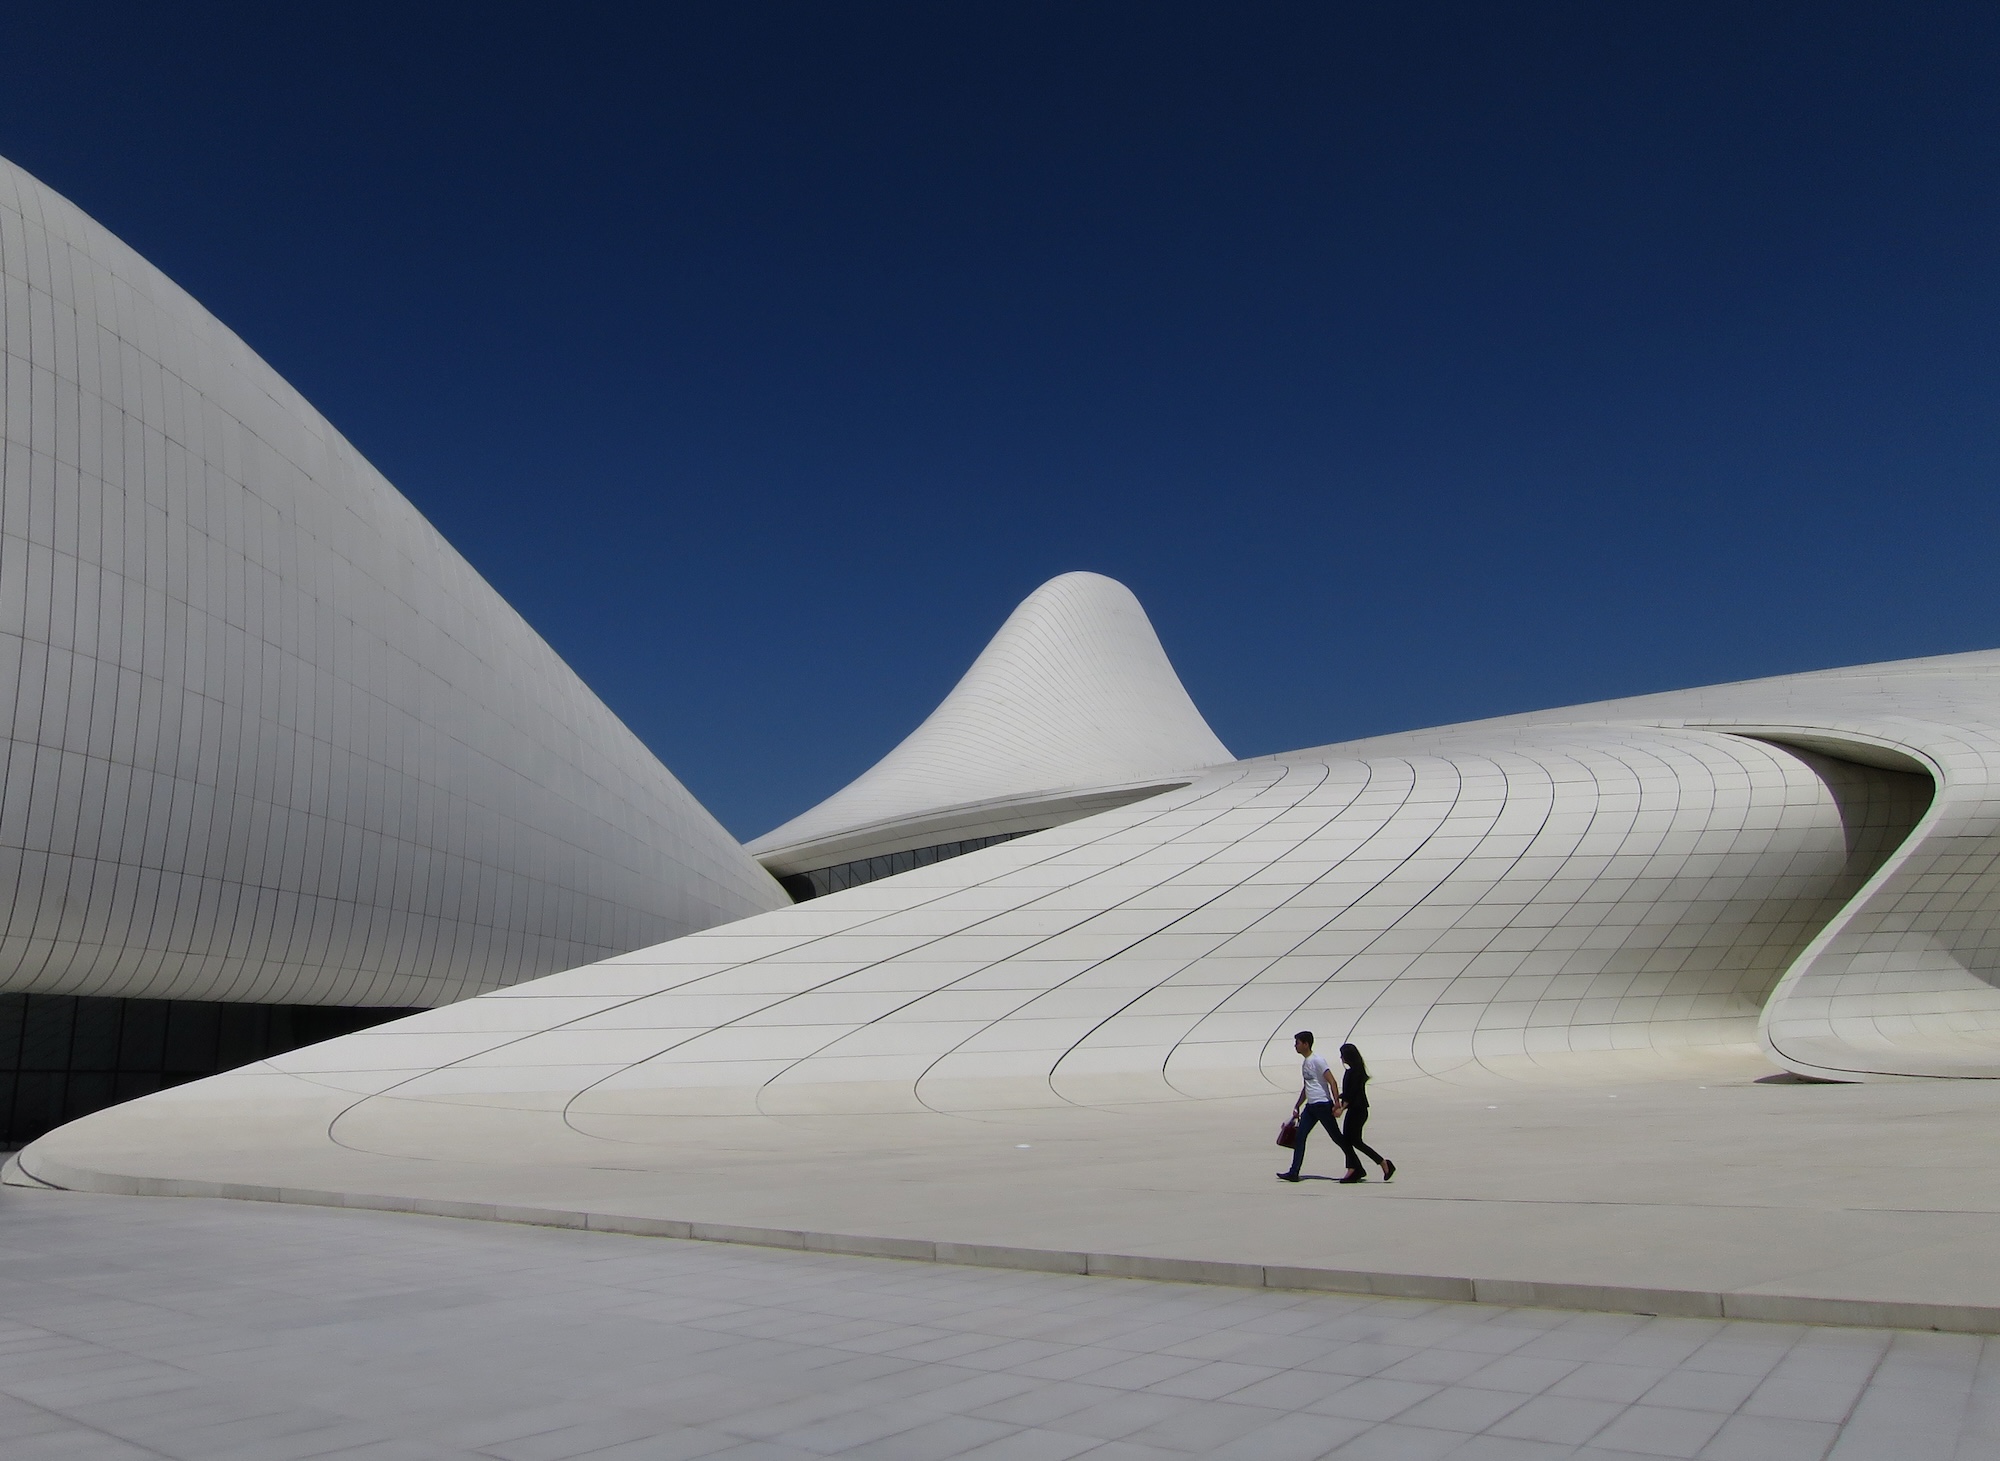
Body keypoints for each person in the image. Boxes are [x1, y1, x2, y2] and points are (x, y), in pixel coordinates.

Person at [1277, 1031, 1359, 1183]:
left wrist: (1336, 1103)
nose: (1295, 1046)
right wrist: (1297, 1105)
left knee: (1337, 1137)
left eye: (1298, 1043)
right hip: (1311, 1107)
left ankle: (1355, 1165)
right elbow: (1307, 1086)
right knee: (1300, 1137)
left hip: (1322, 1105)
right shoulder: (1306, 1062)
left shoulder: (1318, 1060)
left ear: (1306, 1044)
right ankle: (1294, 1172)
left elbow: (1332, 1081)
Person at [1335, 1042, 1395, 1183]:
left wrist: (1341, 1109)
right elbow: (1349, 1093)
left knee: (1352, 1140)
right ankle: (1358, 1168)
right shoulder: (1357, 1071)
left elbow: (1352, 1094)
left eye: (1342, 1055)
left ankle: (1372, 1165)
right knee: (1352, 1140)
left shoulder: (1353, 1072)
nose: (1341, 1058)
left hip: (1357, 1110)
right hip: (1358, 1110)